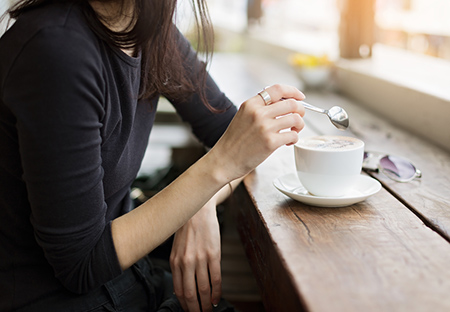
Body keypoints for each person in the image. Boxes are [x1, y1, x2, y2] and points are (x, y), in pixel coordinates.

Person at [0, 0, 306, 311]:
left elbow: (236, 138)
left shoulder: (148, 31)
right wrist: (213, 172)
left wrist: (201, 203)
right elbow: (80, 264)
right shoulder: (57, 49)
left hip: (132, 281)